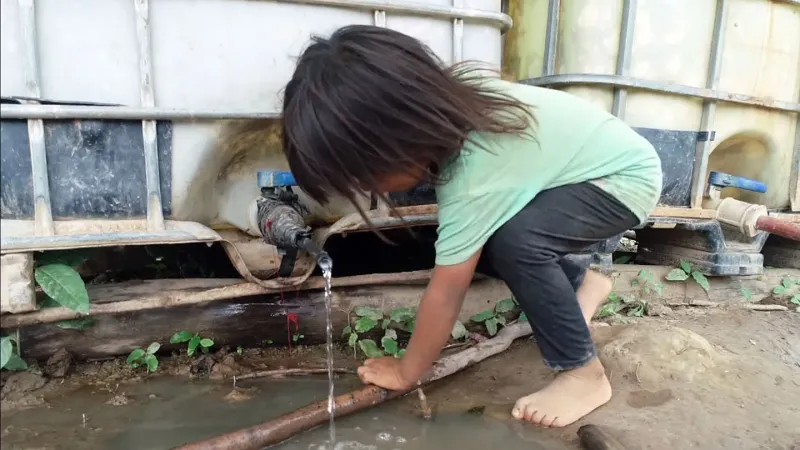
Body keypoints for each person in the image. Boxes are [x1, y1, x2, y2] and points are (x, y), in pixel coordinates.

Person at [281, 25, 662, 428]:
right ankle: (582, 286)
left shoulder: (475, 175)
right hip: (580, 169)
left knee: (516, 244)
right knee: (482, 242)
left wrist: (408, 371)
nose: (364, 188)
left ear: (400, 141)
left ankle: (584, 376)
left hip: (621, 180)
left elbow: (447, 292)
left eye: (363, 177)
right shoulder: (454, 101)